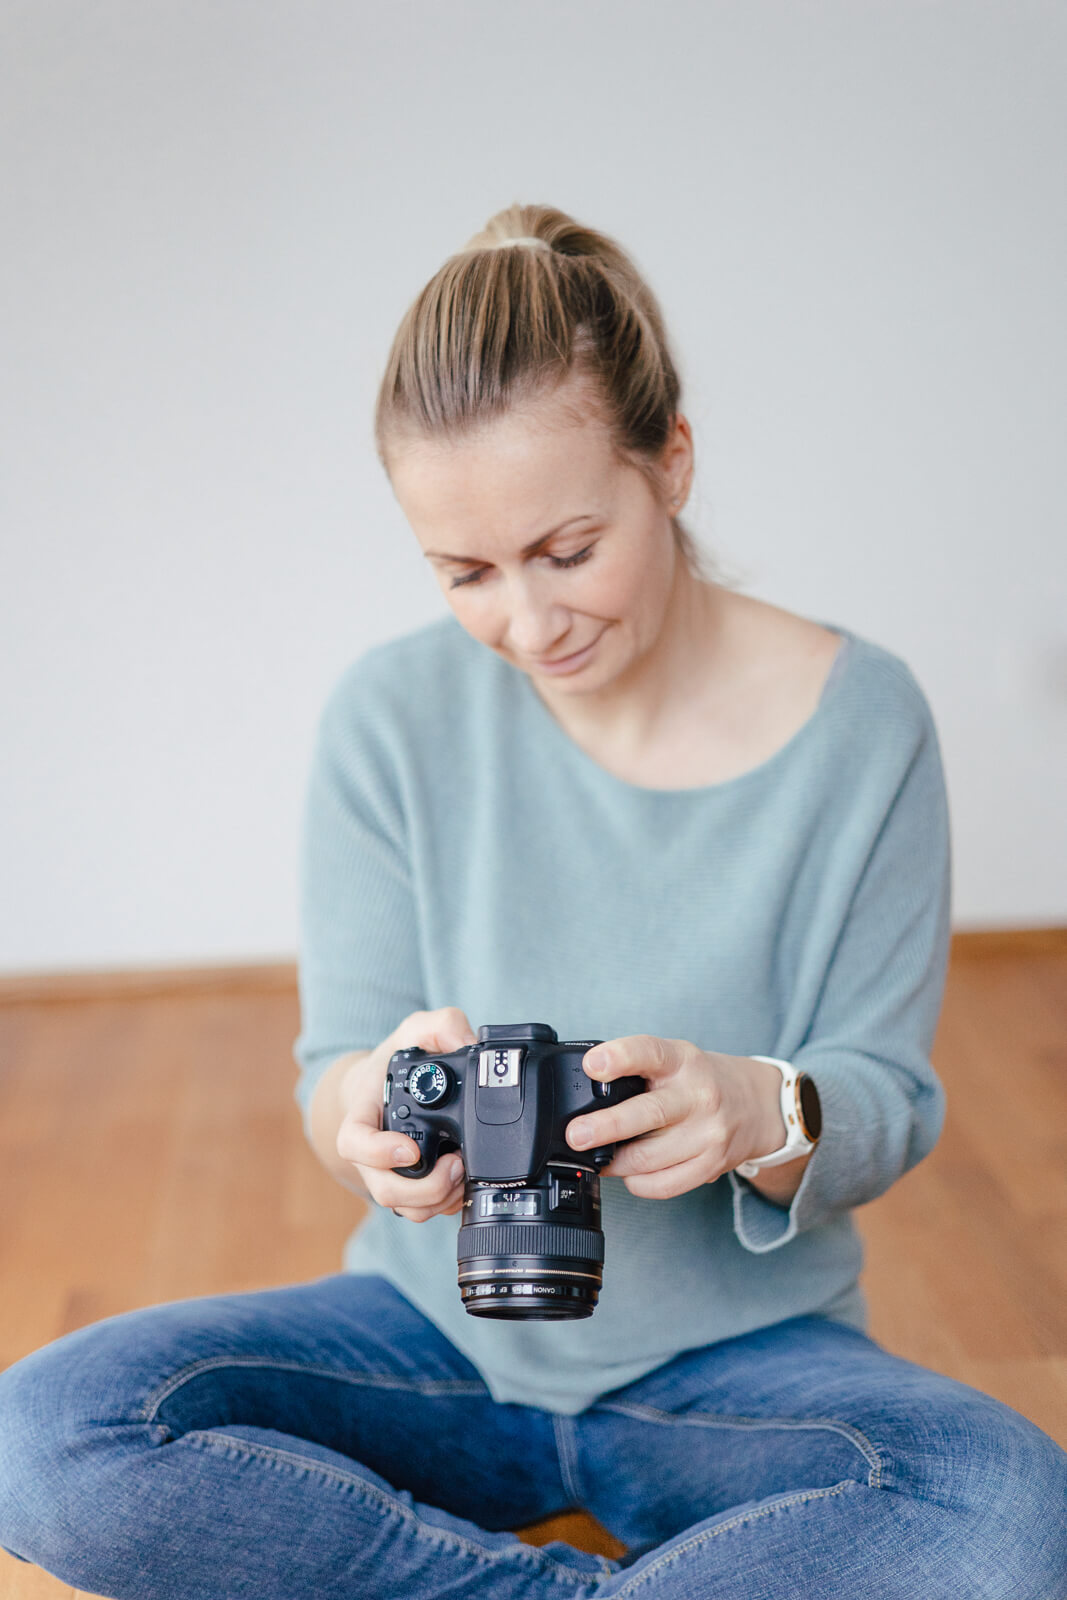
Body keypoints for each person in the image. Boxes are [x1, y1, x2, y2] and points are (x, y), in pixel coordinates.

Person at [0, 203, 1063, 1600]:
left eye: (566, 551)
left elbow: (884, 1095)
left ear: (670, 461)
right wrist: (372, 1122)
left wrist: (757, 1108)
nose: (526, 621)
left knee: (1008, 1514)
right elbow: (339, 1074)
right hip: (428, 1343)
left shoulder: (862, 723)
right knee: (42, 1436)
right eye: (465, 573)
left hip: (739, 1372)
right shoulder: (391, 718)